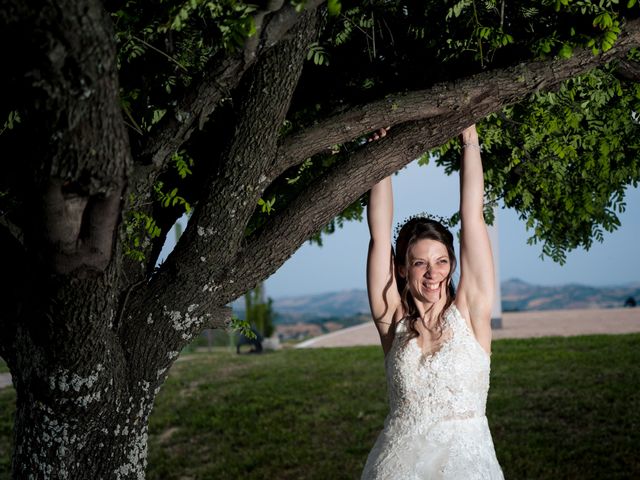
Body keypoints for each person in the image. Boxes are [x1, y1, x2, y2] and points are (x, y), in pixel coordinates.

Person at [361, 124, 504, 479]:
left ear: (452, 265)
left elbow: (472, 218)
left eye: (441, 262)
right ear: (404, 270)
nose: (432, 273)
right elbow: (380, 235)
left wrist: (469, 139)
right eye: (420, 263)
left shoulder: (471, 311)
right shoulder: (391, 317)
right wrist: (381, 161)